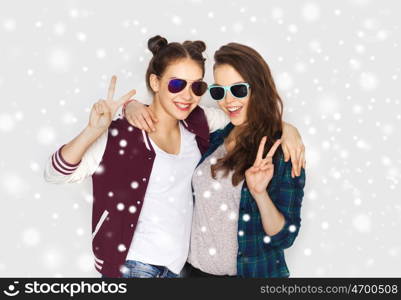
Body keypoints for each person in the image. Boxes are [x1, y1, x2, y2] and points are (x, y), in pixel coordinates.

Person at [44, 35, 304, 278]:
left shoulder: (199, 127)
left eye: (198, 86)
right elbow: (55, 173)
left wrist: (287, 129)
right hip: (135, 266)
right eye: (177, 84)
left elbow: (246, 114)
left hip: (181, 270)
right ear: (155, 82)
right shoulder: (122, 134)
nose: (187, 95)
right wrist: (96, 129)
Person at [126, 42, 306, 278]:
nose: (228, 100)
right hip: (192, 274)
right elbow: (167, 110)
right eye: (219, 91)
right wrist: (131, 106)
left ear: (259, 88)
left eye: (239, 90)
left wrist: (260, 194)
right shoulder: (215, 135)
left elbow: (284, 237)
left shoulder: (280, 151)